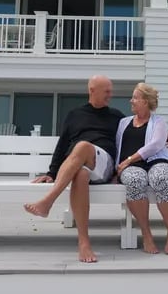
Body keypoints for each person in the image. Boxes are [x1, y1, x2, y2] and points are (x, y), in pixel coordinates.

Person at [24, 75, 124, 263]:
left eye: (111, 90)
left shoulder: (117, 116)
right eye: (107, 91)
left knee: (83, 146)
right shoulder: (74, 115)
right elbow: (62, 145)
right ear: (92, 90)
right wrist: (51, 173)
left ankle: (47, 202)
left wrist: (165, 134)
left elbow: (136, 132)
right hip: (78, 164)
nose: (111, 95)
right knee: (80, 173)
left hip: (103, 165)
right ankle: (84, 243)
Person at [116, 82, 168, 255]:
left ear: (145, 101)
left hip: (157, 161)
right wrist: (119, 165)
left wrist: (129, 159)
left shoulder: (159, 121)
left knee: (160, 178)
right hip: (132, 167)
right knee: (135, 180)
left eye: (135, 98)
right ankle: (146, 235)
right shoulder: (123, 123)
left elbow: (156, 144)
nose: (131, 101)